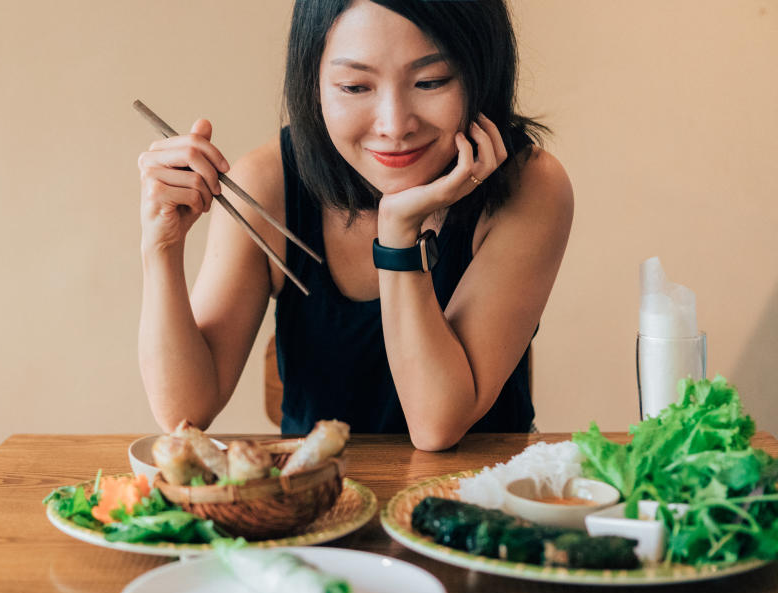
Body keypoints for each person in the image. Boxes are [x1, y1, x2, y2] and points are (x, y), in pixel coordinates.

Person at [138, 0, 573, 451]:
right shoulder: (269, 183)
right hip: (314, 505)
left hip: (478, 502)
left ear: (483, 71)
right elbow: (185, 411)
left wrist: (399, 231)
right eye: (354, 86)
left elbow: (436, 425)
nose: (394, 125)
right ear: (314, 83)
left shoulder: (530, 187)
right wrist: (161, 247)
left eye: (431, 81)